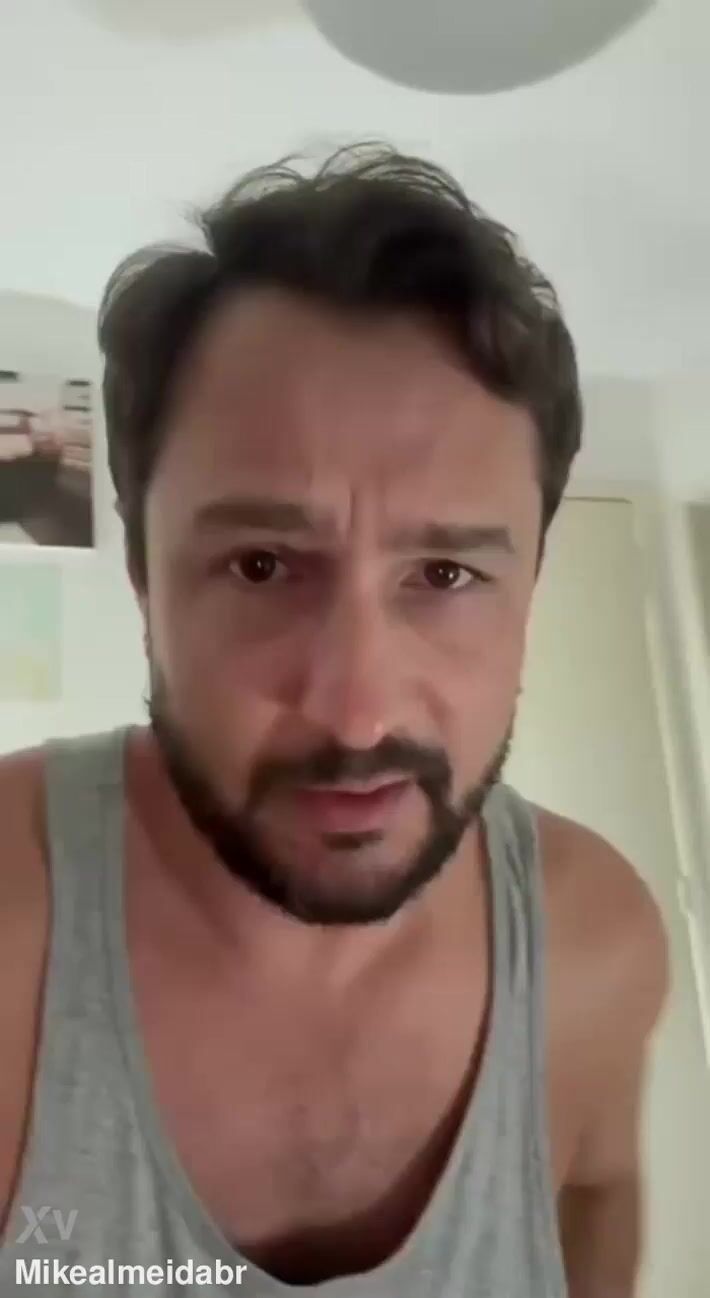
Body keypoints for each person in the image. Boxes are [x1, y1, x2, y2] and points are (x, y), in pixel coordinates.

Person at [0, 145, 668, 1296]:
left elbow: (598, 1190)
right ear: (145, 574)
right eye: (261, 564)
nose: (356, 714)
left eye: (445, 573)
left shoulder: (593, 944)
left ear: (531, 583)